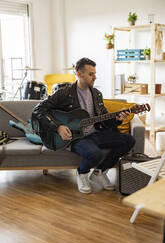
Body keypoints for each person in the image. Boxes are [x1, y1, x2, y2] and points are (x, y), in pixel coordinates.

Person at [32, 58, 135, 194]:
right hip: (75, 137)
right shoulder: (64, 93)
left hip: (95, 134)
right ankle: (82, 173)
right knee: (94, 154)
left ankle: (100, 172)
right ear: (80, 74)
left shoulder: (97, 94)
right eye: (91, 74)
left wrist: (117, 119)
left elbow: (103, 120)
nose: (95, 77)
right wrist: (58, 127)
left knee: (129, 140)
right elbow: (38, 110)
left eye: (95, 73)